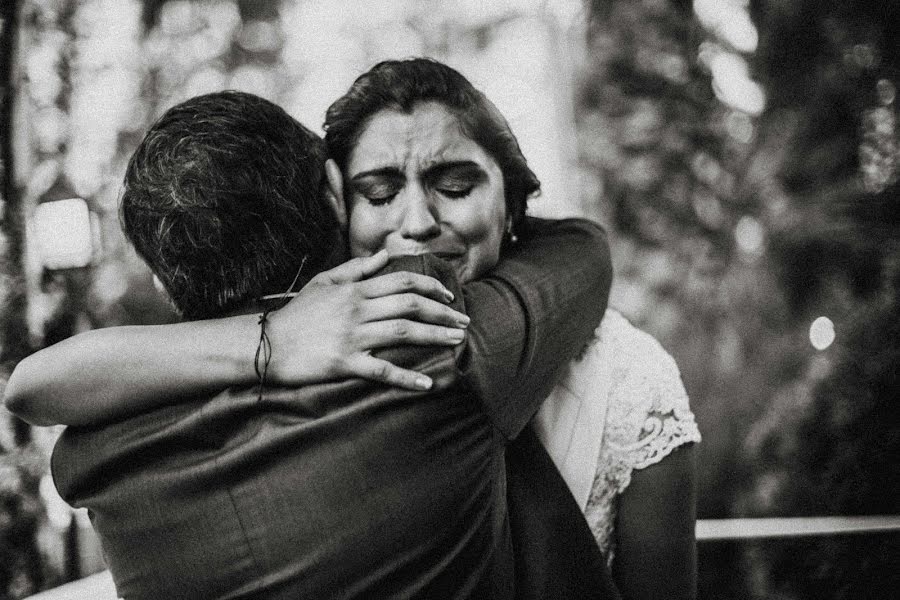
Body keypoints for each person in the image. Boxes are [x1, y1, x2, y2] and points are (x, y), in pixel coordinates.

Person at [8, 58, 700, 598]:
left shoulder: (97, 443)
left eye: (456, 187)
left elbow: (31, 387)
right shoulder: (430, 344)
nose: (416, 224)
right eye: (378, 192)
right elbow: (581, 245)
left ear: (162, 280)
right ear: (337, 201)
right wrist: (276, 342)